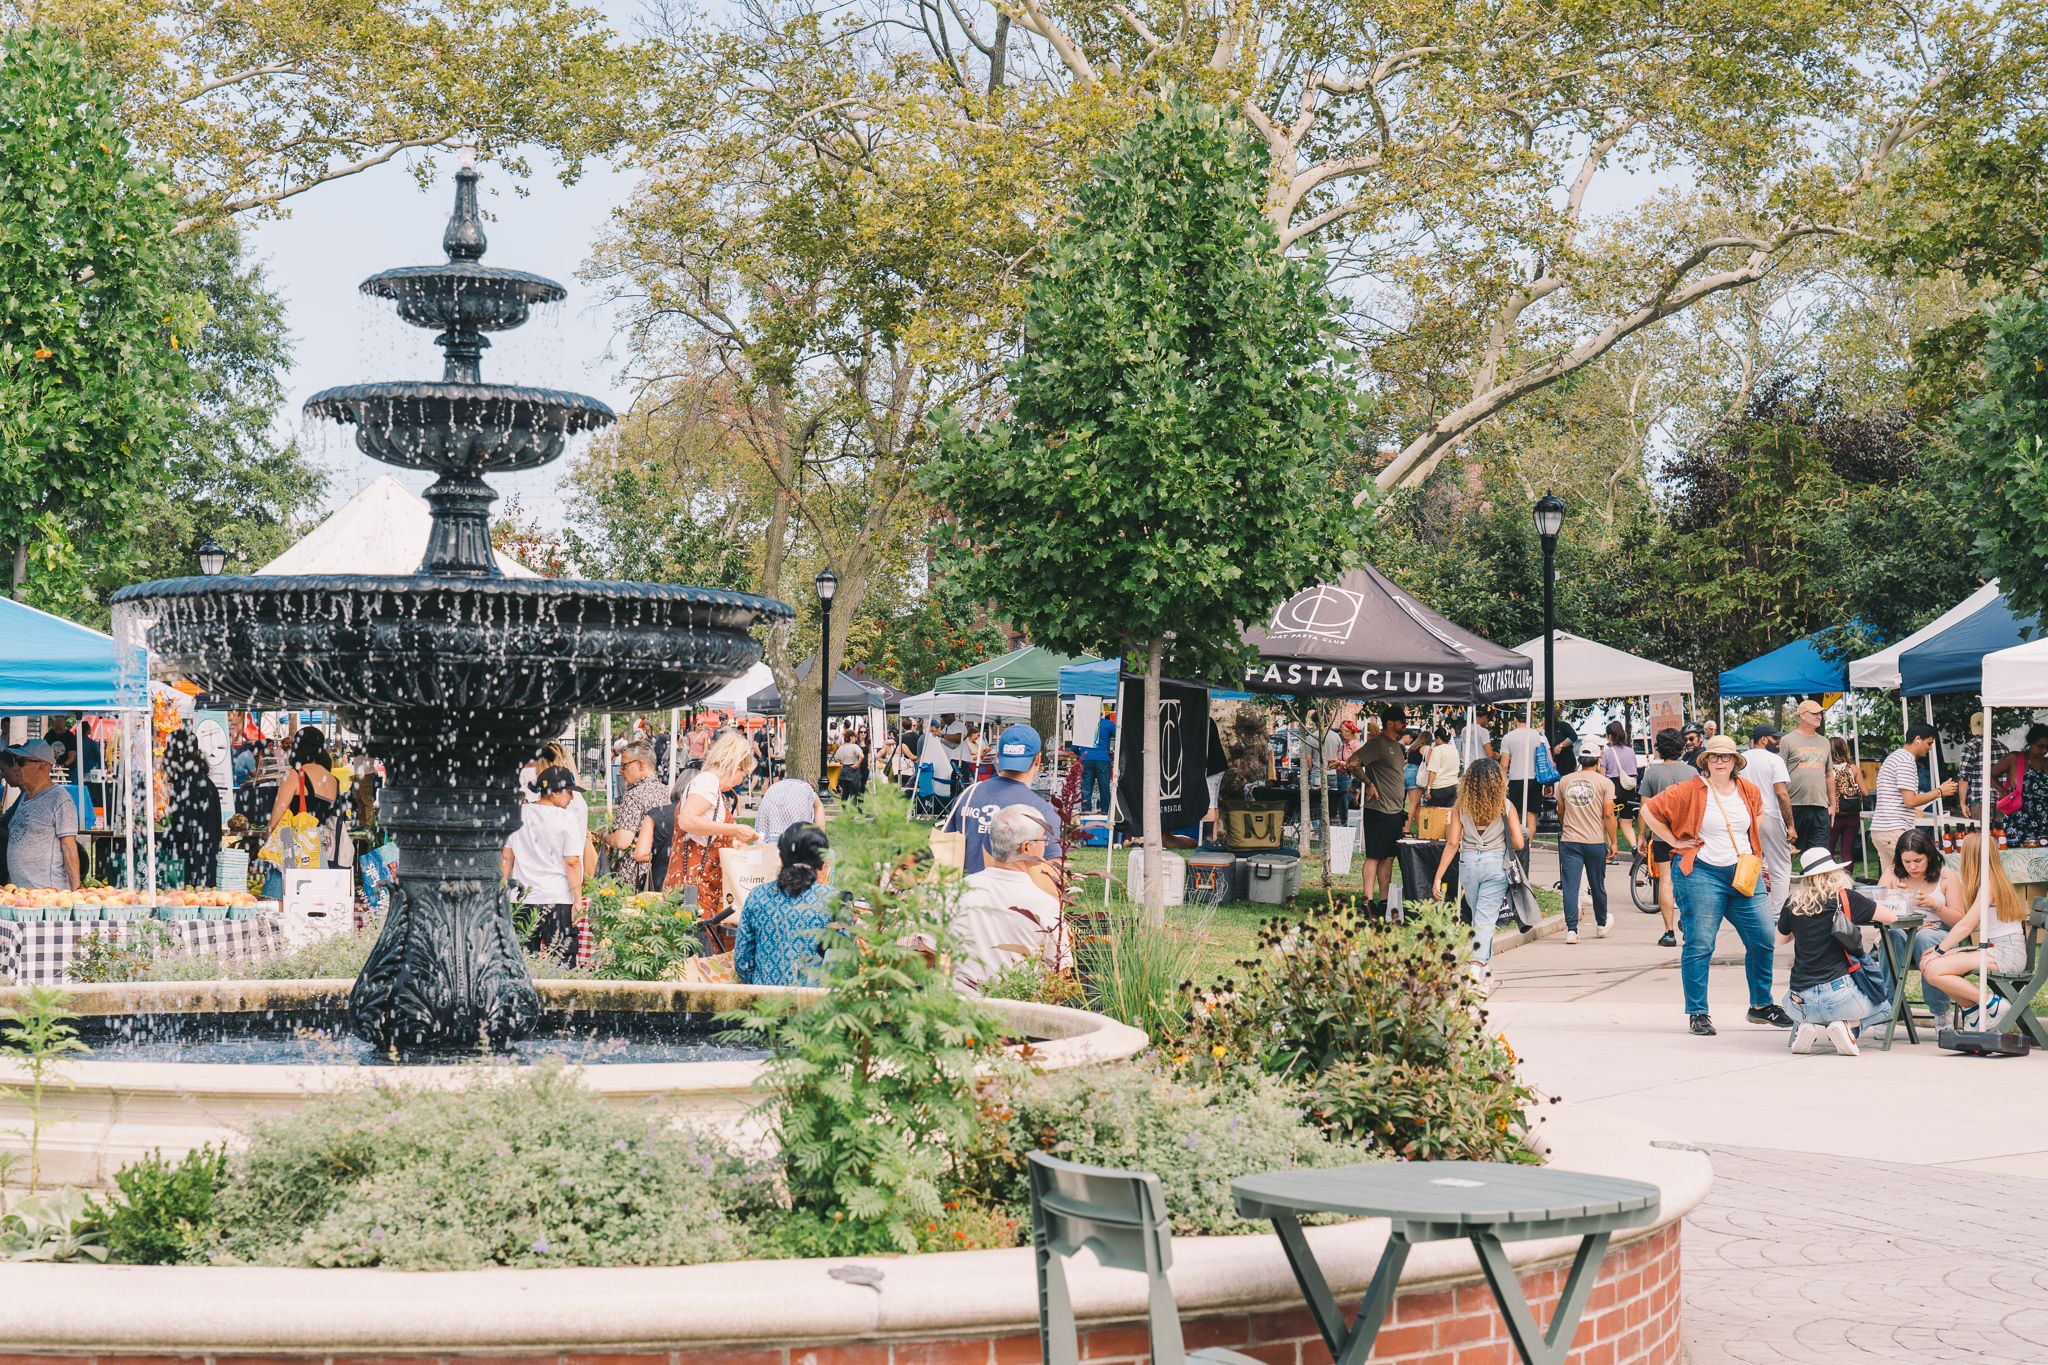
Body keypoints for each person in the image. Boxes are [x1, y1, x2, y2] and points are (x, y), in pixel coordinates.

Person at [1642, 735, 1795, 1037]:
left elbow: (1758, 814)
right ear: (1706, 761)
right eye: (1714, 757)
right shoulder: (1690, 789)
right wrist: (1673, 841)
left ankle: (1761, 1006)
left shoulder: (1748, 790)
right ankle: (1698, 1012)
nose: (1720, 762)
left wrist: (1748, 845)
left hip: (1742, 874)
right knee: (1700, 944)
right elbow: (1648, 811)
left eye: (1726, 757)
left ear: (1736, 762)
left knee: (1764, 937)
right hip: (1700, 873)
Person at [1776, 847, 1902, 1055]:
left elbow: (1780, 939)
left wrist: (1800, 923)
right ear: (1835, 873)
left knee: (1791, 1002)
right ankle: (1850, 1028)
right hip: (1840, 996)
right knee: (1885, 1007)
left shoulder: (1794, 902)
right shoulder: (1846, 898)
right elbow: (1891, 917)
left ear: (1806, 878)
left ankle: (1804, 1027)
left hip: (1799, 1001)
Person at [1920, 832, 2032, 1030]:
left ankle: (1992, 1004)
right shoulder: (1992, 881)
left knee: (1934, 968)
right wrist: (1940, 950)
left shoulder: (1988, 885)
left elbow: (1966, 925)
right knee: (1930, 964)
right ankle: (1973, 1011)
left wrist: (1940, 951)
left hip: (2005, 953)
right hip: (1998, 948)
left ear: (1971, 857)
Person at [1429, 756, 1525, 978]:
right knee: (1485, 917)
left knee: (1480, 917)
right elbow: (1519, 843)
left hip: (1469, 865)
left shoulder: (1460, 807)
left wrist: (1438, 876)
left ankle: (1484, 967)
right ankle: (1475, 967)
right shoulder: (1506, 806)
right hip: (1496, 866)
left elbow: (1453, 843)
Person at [957, 805, 1070, 986]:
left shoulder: (957, 891)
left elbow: (926, 953)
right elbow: (1057, 979)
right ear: (1026, 847)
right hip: (1019, 1010)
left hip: (961, 1007)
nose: (1045, 845)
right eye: (1042, 839)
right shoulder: (1046, 905)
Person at [941, 725, 1062, 876]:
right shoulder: (1040, 809)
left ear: (998, 755)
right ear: (1038, 759)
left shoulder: (967, 795)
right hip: (1013, 898)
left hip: (965, 895)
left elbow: (947, 850)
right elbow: (1053, 874)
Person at [1875, 827, 1965, 1029]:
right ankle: (1886, 1007)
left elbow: (1960, 921)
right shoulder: (1892, 874)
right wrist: (1891, 897)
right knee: (1892, 934)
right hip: (1902, 934)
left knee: (1925, 938)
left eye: (1918, 861)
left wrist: (1935, 906)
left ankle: (1941, 1011)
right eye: (1907, 862)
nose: (1912, 867)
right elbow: (1875, 911)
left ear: (1930, 856)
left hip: (1938, 933)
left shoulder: (1946, 877)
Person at [662, 731, 762, 910]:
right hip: (695, 884)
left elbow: (704, 832)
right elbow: (687, 821)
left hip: (696, 883)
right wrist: (734, 830)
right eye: (745, 775)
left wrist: (736, 841)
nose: (742, 780)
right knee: (697, 935)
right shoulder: (708, 781)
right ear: (736, 768)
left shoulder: (709, 785)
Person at [734, 823, 836, 987]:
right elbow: (845, 967)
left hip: (764, 1004)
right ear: (823, 863)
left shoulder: (757, 896)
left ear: (781, 857)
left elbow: (742, 961)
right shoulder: (836, 901)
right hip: (816, 1008)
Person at [501, 765, 585, 958]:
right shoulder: (567, 818)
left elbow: (507, 857)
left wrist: (501, 891)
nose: (572, 798)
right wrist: (578, 900)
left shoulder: (517, 814)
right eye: (569, 792)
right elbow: (572, 862)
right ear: (554, 792)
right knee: (562, 960)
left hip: (522, 899)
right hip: (558, 899)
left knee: (521, 959)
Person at [1345, 709, 1410, 916]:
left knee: (1388, 857)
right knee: (1374, 856)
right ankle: (1367, 904)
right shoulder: (1377, 744)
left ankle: (1384, 902)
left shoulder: (1397, 746)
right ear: (1390, 723)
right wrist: (1369, 784)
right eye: (1402, 721)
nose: (1405, 724)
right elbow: (1352, 763)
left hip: (1394, 811)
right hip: (1378, 810)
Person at [263, 727, 341, 898]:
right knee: (311, 911)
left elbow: (275, 821)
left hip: (292, 849)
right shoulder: (333, 780)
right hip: (318, 853)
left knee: (277, 909)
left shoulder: (295, 775)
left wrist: (267, 844)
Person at [1637, 728, 1695, 947]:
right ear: (1682, 748)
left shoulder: (1651, 774)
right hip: (1689, 838)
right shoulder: (1692, 773)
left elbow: (1645, 808)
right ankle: (1688, 928)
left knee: (1666, 882)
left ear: (1659, 749)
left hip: (1662, 837)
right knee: (1690, 883)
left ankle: (1669, 933)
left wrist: (1641, 836)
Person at [1556, 737, 1618, 942]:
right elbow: (1609, 815)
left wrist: (1567, 829)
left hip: (1570, 841)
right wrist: (1613, 841)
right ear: (1598, 760)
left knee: (1570, 886)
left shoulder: (1565, 780)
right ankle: (1601, 924)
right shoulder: (1605, 783)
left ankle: (1572, 930)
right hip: (1594, 842)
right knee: (1597, 884)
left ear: (1579, 759)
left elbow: (1561, 811)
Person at [1870, 723, 1956, 870]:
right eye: (1929, 743)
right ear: (1917, 740)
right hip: (1895, 830)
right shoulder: (1906, 761)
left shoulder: (1893, 757)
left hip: (1880, 830)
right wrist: (1939, 792)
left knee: (1891, 882)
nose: (1930, 748)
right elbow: (1910, 801)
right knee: (1915, 875)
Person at [4, 740, 80, 890]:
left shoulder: (59, 798)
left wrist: (76, 893)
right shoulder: (25, 796)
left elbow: (69, 848)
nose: (15, 767)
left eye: (20, 762)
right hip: (21, 896)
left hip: (48, 896)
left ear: (40, 766)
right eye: (14, 761)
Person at [1744, 727, 1797, 915]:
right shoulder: (1775, 760)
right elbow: (1781, 794)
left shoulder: (1741, 759)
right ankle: (1778, 915)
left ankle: (1751, 911)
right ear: (1764, 740)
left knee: (1747, 865)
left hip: (1745, 818)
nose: (1779, 741)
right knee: (1780, 867)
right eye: (1775, 738)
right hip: (1770, 815)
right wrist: (1790, 826)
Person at [162, 729, 223, 889]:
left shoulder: (185, 785)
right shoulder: (207, 783)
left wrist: (156, 835)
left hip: (189, 872)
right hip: (208, 868)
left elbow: (182, 833)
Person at [605, 741, 669, 888]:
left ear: (641, 765)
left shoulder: (633, 796)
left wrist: (604, 835)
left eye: (624, 766)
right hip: (661, 871)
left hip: (635, 877)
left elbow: (622, 841)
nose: (620, 771)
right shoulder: (668, 792)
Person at [1779, 701, 1834, 857]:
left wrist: (1833, 805)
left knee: (1819, 854)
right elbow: (1779, 775)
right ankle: (1785, 882)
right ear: (1802, 715)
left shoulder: (1824, 742)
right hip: (1794, 805)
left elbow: (1829, 774)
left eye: (1820, 713)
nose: (1819, 716)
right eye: (1814, 713)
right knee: (1788, 852)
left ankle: (1812, 882)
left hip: (1820, 805)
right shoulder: (1788, 740)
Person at [1989, 723, 2048, 845]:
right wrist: (2002, 791)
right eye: (2040, 746)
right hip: (2018, 823)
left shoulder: (2046, 762)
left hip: (2043, 822)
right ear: (2029, 743)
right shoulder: (2014, 758)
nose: (2044, 751)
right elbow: (1991, 775)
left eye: (2047, 747)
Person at [1956, 711, 2008, 823]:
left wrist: (1963, 803)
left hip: (1979, 802)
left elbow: (1964, 778)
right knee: (1998, 837)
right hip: (2001, 801)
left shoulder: (1970, 747)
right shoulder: (2003, 747)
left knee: (1980, 838)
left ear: (1970, 726)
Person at [1600, 720, 1640, 861]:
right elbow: (1634, 774)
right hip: (1629, 789)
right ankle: (1635, 847)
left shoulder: (1606, 753)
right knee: (1626, 823)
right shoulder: (1630, 752)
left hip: (1613, 788)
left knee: (1609, 820)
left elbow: (1602, 777)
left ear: (1610, 736)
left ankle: (1612, 855)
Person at [1827, 737, 1865, 870]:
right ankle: (1847, 883)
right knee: (1847, 851)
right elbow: (1865, 792)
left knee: (1829, 850)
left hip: (1833, 815)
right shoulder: (1853, 768)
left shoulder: (1827, 770)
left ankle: (1832, 881)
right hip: (1852, 815)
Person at [754, 776, 827, 844]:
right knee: (798, 837)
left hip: (771, 793)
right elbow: (820, 825)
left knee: (763, 837)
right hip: (795, 798)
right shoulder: (809, 792)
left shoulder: (784, 787)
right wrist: (820, 842)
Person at [1071, 708, 1116, 815]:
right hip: (1103, 759)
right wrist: (1113, 752)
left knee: (1086, 791)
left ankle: (1086, 816)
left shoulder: (1082, 725)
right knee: (1104, 790)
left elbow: (1074, 747)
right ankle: (1106, 815)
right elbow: (1120, 736)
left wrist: (1081, 754)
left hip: (1086, 760)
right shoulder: (1109, 723)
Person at [1499, 713, 1542, 821]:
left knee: (1513, 814)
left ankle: (1517, 838)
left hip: (1516, 779)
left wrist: (1501, 783)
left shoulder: (1508, 737)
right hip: (1534, 779)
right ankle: (1530, 839)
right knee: (1531, 815)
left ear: (1515, 719)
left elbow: (1504, 765)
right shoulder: (1538, 736)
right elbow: (1546, 758)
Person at [1424, 727, 1461, 807]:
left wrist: (1428, 788)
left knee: (1435, 816)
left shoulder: (1437, 750)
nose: (1435, 742)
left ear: (1439, 738)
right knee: (1449, 815)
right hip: (1453, 785)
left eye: (1435, 739)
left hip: (1439, 787)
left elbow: (1433, 771)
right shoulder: (1454, 750)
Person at [834, 731, 867, 799]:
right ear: (851, 737)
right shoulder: (855, 746)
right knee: (854, 791)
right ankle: (853, 807)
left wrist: (843, 762)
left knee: (845, 791)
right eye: (855, 737)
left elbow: (836, 759)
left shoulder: (841, 747)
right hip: (852, 770)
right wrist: (857, 764)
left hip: (844, 771)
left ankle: (844, 807)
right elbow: (862, 756)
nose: (855, 739)